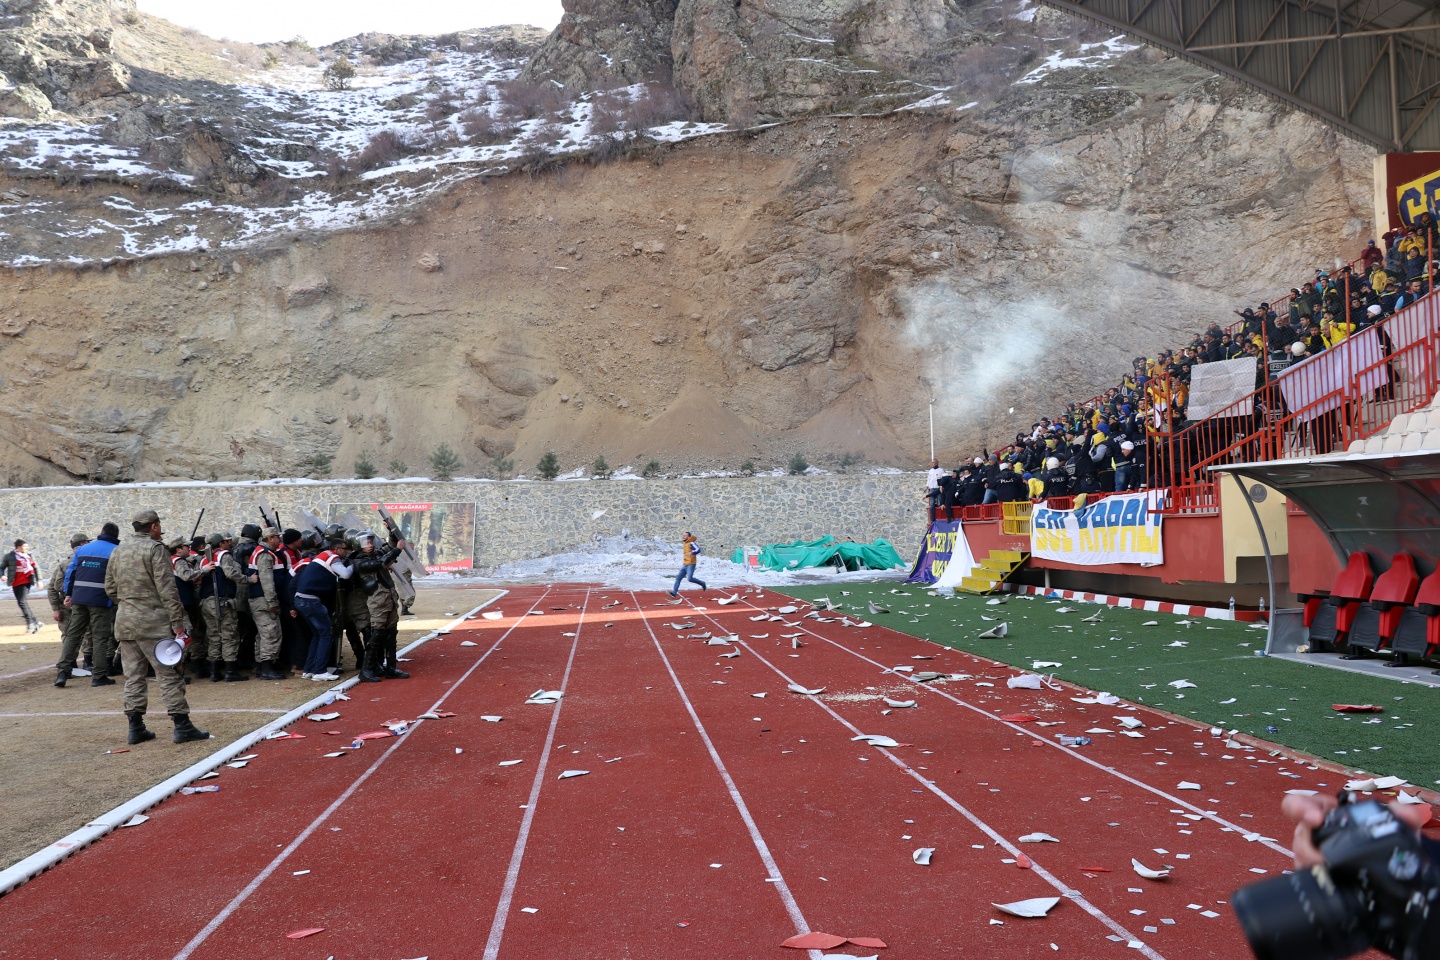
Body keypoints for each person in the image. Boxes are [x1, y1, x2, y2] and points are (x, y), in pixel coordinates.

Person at [104, 510, 209, 745]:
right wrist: (178, 623)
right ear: (153, 526)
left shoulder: (118, 550)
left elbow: (110, 587)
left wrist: (129, 603)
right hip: (153, 622)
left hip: (126, 621)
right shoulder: (155, 549)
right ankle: (182, 725)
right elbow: (167, 589)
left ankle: (136, 727)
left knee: (133, 676)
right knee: (169, 674)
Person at [65, 522, 122, 687]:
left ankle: (63, 672)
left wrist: (69, 594)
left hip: (79, 598)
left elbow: (71, 572)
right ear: (116, 536)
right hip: (100, 601)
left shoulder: (83, 549)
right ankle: (99, 676)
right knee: (99, 638)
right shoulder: (115, 551)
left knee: (73, 635)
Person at [291, 536, 353, 682]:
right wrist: (352, 565)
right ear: (336, 549)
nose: (347, 552)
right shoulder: (333, 557)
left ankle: (309, 669)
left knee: (317, 634)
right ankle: (320, 670)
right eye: (345, 549)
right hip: (311, 600)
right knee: (326, 634)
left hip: (301, 599)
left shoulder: (322, 556)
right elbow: (345, 574)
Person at [197, 531, 248, 682]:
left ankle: (214, 672)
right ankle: (230, 671)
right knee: (229, 635)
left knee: (213, 636)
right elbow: (230, 573)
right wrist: (247, 579)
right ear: (221, 544)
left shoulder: (203, 559)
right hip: (221, 600)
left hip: (206, 602)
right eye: (227, 541)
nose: (230, 543)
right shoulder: (224, 555)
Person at [50, 533, 91, 687]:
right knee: (70, 635)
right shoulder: (67, 564)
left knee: (87, 634)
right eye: (87, 542)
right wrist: (56, 608)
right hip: (67, 606)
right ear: (81, 545)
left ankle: (86, 662)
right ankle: (70, 666)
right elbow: (54, 587)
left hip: (80, 603)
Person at [247, 527, 286, 680]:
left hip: (259, 599)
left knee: (263, 635)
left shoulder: (261, 552)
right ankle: (267, 668)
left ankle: (261, 666)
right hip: (263, 600)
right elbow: (267, 581)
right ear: (270, 539)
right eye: (277, 537)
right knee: (271, 633)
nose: (279, 540)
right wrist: (272, 601)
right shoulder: (265, 555)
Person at [1, 539, 42, 633]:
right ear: (19, 547)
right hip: (15, 582)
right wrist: (2, 575)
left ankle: (30, 624)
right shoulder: (9, 556)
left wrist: (39, 580)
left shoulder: (29, 556)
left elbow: (36, 568)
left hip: (26, 581)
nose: (27, 548)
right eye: (25, 546)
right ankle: (36, 623)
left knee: (22, 602)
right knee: (21, 602)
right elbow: (1, 567)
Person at [668, 532, 706, 599]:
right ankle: (674, 593)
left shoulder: (691, 543)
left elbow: (698, 549)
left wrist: (692, 552)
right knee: (678, 578)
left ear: (689, 537)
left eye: (685, 536)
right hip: (685, 564)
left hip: (691, 564)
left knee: (689, 578)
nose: (683, 536)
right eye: (683, 535)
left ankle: (702, 583)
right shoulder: (686, 543)